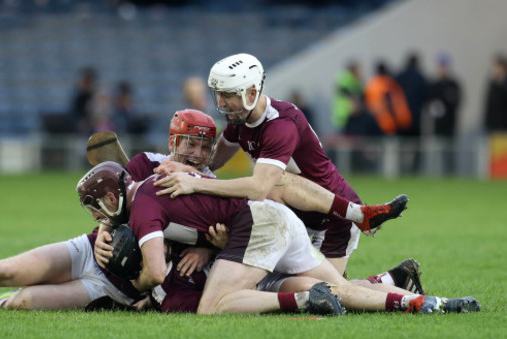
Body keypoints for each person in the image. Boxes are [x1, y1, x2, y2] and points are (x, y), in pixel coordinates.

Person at [0, 109, 221, 311]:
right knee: (7, 269)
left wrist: (207, 247)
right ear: (174, 140)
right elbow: (112, 203)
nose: (195, 151)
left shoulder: (214, 187)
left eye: (203, 145)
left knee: (25, 302)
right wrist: (102, 232)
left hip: (125, 286)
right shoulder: (148, 163)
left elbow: (232, 233)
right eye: (190, 141)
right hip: (90, 251)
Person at [82, 161, 479, 315]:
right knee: (340, 287)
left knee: (213, 307)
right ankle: (431, 303)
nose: (98, 217)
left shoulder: (146, 204)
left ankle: (306, 300)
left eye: (97, 207)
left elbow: (153, 271)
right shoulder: (158, 177)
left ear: (113, 196)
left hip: (256, 225)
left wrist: (137, 286)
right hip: (274, 220)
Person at [155, 53, 410, 282]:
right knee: (300, 288)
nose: (221, 102)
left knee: (327, 293)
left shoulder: (281, 124)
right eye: (219, 93)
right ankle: (395, 278)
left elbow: (258, 188)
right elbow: (212, 163)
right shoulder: (239, 118)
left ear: (251, 93)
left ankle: (361, 221)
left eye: (228, 95)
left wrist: (194, 182)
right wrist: (175, 163)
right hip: (296, 214)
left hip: (332, 220)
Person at [332, 61, 380, 136]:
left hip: (347, 115)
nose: (360, 72)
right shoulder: (347, 79)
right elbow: (351, 94)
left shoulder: (350, 80)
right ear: (353, 70)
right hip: (348, 115)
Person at [364, 61, 412, 135]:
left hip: (375, 122)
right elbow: (392, 103)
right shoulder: (389, 83)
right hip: (390, 122)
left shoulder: (371, 84)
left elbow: (367, 104)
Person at [427, 53, 462, 138]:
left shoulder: (453, 84)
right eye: (440, 67)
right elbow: (429, 102)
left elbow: (456, 101)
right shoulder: (434, 85)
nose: (442, 69)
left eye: (444, 67)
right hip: (438, 124)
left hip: (450, 124)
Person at [395, 52, 429, 137]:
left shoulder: (399, 77)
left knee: (402, 145)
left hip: (401, 116)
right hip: (416, 117)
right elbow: (426, 96)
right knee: (416, 145)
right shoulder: (420, 78)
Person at [483, 54, 507, 133]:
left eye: (497, 66)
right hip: (492, 128)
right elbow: (488, 106)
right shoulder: (492, 85)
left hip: (503, 128)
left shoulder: (504, 85)